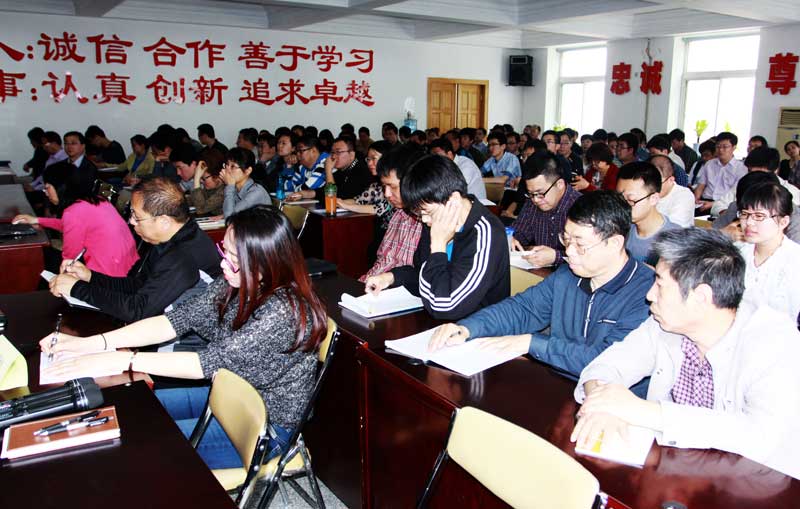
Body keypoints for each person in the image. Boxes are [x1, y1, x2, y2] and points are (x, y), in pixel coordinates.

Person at [40, 205, 327, 470]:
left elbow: (207, 363)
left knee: (138, 445)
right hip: (227, 393)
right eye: (225, 251)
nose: (223, 263)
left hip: (264, 425)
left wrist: (121, 359)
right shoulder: (237, 280)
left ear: (265, 262)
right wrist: (90, 344)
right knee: (131, 410)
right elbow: (175, 321)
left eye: (234, 258)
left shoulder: (282, 312)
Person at [572, 228, 800, 480]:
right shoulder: (665, 324)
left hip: (760, 485)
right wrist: (603, 405)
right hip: (675, 473)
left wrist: (642, 410)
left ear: (700, 297)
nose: (650, 295)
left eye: (660, 285)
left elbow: (759, 436)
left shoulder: (776, 342)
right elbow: (606, 366)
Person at [428, 191, 654, 385]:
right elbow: (522, 309)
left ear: (614, 243)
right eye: (566, 239)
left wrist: (531, 343)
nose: (569, 251)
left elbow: (608, 359)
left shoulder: (648, 294)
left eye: (580, 244)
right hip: (557, 385)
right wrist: (467, 328)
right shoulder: (568, 275)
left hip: (609, 403)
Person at [48, 177, 222, 323]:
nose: (131, 222)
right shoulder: (169, 238)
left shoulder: (183, 254)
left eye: (137, 217)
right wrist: (90, 277)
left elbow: (138, 310)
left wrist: (77, 288)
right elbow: (138, 285)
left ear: (163, 221)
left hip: (183, 343)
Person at [365, 155, 509, 320]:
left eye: (427, 212)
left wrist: (438, 245)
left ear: (454, 199)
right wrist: (391, 277)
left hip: (476, 328)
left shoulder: (485, 232)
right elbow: (427, 275)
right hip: (438, 323)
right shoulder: (435, 221)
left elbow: (445, 304)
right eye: (420, 213)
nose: (425, 219)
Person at [14, 165, 138, 277]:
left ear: (60, 187)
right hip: (128, 268)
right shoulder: (97, 200)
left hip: (106, 275)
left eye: (47, 188)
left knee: (41, 261)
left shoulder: (73, 212)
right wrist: (36, 220)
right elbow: (68, 225)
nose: (46, 193)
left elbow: (70, 257)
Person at [359, 145, 425, 282]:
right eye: (384, 187)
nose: (387, 194)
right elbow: (382, 261)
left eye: (393, 187)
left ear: (412, 183)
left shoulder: (427, 221)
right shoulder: (398, 214)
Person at [736, 181, 800, 321]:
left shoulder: (796, 261)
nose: (749, 222)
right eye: (745, 214)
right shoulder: (737, 253)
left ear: (783, 222)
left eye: (759, 216)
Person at [510, 152, 581, 268]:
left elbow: (589, 256)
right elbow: (519, 234)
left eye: (540, 193)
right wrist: (510, 238)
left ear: (560, 184)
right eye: (531, 194)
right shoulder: (532, 203)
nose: (536, 200)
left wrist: (556, 257)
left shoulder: (581, 207)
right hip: (539, 271)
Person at [617, 161, 681, 265]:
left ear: (653, 199)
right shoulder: (621, 228)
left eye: (631, 200)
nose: (622, 205)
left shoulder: (674, 241)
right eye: (619, 198)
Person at [711, 146, 800, 217]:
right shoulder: (745, 183)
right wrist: (730, 215)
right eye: (751, 172)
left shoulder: (793, 193)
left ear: (776, 170)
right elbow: (717, 205)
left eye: (760, 173)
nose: (755, 177)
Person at [694, 132, 747, 212]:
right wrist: (696, 199)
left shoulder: (741, 168)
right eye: (718, 147)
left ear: (734, 147)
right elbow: (701, 186)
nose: (721, 150)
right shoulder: (709, 164)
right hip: (704, 201)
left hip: (724, 205)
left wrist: (713, 204)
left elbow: (734, 194)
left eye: (725, 147)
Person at [312, 136, 371, 201]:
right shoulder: (342, 171)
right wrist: (306, 193)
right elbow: (322, 192)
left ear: (351, 155)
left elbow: (333, 197)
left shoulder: (361, 171)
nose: (333, 156)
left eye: (338, 152)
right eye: (332, 152)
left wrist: (328, 171)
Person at [221, 147, 271, 218]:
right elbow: (232, 212)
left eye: (233, 166)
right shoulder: (236, 188)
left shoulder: (256, 193)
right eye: (226, 165)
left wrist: (229, 185)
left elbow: (230, 218)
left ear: (248, 171)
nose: (227, 170)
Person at [651, 155, 695, 228]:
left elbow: (673, 227)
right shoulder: (644, 192)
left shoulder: (684, 195)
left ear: (671, 180)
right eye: (648, 184)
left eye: (657, 184)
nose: (652, 188)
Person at [285, 135, 329, 200]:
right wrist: (289, 166)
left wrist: (298, 189)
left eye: (300, 151)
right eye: (297, 151)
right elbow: (287, 188)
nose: (297, 154)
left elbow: (310, 187)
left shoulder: (325, 162)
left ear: (313, 150)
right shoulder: (303, 166)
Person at [187, 149, 225, 217]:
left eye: (203, 178)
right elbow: (194, 200)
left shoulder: (224, 190)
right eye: (200, 178)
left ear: (217, 175)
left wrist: (196, 180)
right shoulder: (212, 188)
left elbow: (200, 209)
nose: (201, 181)